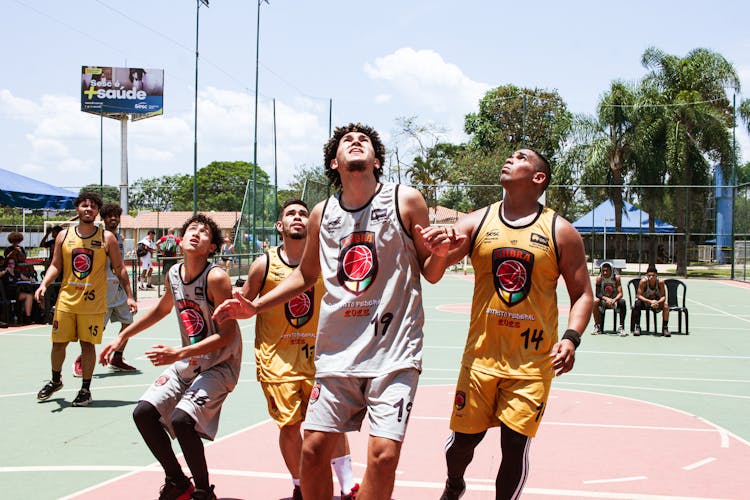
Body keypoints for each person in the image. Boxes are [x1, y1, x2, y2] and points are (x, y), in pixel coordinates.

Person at [214, 123, 448, 500]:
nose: (356, 143)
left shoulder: (405, 200)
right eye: (346, 142)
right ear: (334, 162)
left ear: (376, 159)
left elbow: (431, 272)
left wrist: (440, 255)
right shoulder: (322, 214)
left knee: (384, 457)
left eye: (365, 141)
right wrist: (255, 304)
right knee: (313, 449)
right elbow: (306, 275)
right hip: (338, 352)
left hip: (395, 351)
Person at [418, 148, 593, 500]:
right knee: (460, 448)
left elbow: (583, 294)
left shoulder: (561, 231)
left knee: (514, 447)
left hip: (531, 364)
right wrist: (438, 255)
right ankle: (454, 485)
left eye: (521, 158)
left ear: (538, 178)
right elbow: (432, 274)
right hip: (480, 359)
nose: (510, 159)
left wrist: (572, 338)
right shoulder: (477, 221)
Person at [99, 214, 241, 500]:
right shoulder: (173, 274)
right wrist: (122, 336)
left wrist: (179, 352)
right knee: (143, 413)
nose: (196, 233)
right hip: (189, 362)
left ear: (211, 247)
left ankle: (203, 491)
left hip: (220, 364)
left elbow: (227, 335)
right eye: (192, 229)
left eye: (204, 232)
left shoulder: (216, 277)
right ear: (181, 237)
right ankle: (177, 480)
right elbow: (162, 309)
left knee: (182, 420)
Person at [241, 199, 359, 500]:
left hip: (321, 358)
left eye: (303, 214)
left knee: (331, 422)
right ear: (280, 226)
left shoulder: (326, 259)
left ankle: (348, 486)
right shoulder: (263, 265)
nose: (298, 217)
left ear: (312, 224)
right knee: (291, 427)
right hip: (277, 361)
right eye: (290, 214)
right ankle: (299, 484)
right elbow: (245, 306)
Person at [34, 191, 127, 407]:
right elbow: (56, 265)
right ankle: (55, 380)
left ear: (97, 212)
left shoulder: (107, 237)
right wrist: (43, 284)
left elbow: (120, 268)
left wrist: (130, 296)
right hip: (67, 299)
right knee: (58, 344)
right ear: (78, 209)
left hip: (93, 303)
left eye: (93, 206)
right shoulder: (64, 236)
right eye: (84, 205)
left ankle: (85, 389)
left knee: (87, 346)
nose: (88, 209)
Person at [72, 204, 139, 377]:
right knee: (95, 330)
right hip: (101, 291)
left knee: (128, 323)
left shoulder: (120, 238)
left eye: (116, 215)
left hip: (118, 291)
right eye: (109, 216)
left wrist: (129, 295)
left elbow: (121, 267)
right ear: (103, 218)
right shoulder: (98, 237)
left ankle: (117, 357)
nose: (113, 219)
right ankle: (81, 359)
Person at [631, 264, 670, 337]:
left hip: (656, 302)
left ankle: (665, 328)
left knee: (666, 306)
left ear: (656, 275)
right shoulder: (643, 282)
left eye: (653, 275)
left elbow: (663, 296)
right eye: (649, 275)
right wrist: (650, 301)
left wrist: (657, 302)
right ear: (646, 275)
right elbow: (639, 295)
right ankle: (637, 327)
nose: (651, 277)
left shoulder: (660, 282)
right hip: (646, 302)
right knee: (637, 303)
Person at [592, 261, 627, 336]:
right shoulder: (599, 278)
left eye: (606, 271)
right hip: (604, 299)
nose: (604, 273)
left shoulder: (616, 278)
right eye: (603, 271)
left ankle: (621, 327)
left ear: (611, 270)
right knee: (595, 302)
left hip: (614, 300)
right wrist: (606, 299)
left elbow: (620, 293)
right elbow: (597, 294)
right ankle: (597, 326)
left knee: (623, 302)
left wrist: (614, 300)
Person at [0, 257, 35, 324]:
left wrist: (30, 279)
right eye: (9, 263)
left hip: (17, 292)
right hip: (9, 294)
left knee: (33, 296)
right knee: (29, 296)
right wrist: (5, 271)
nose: (11, 265)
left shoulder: (17, 273)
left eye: (12, 263)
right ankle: (27, 318)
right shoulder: (5, 273)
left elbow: (25, 279)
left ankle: (34, 316)